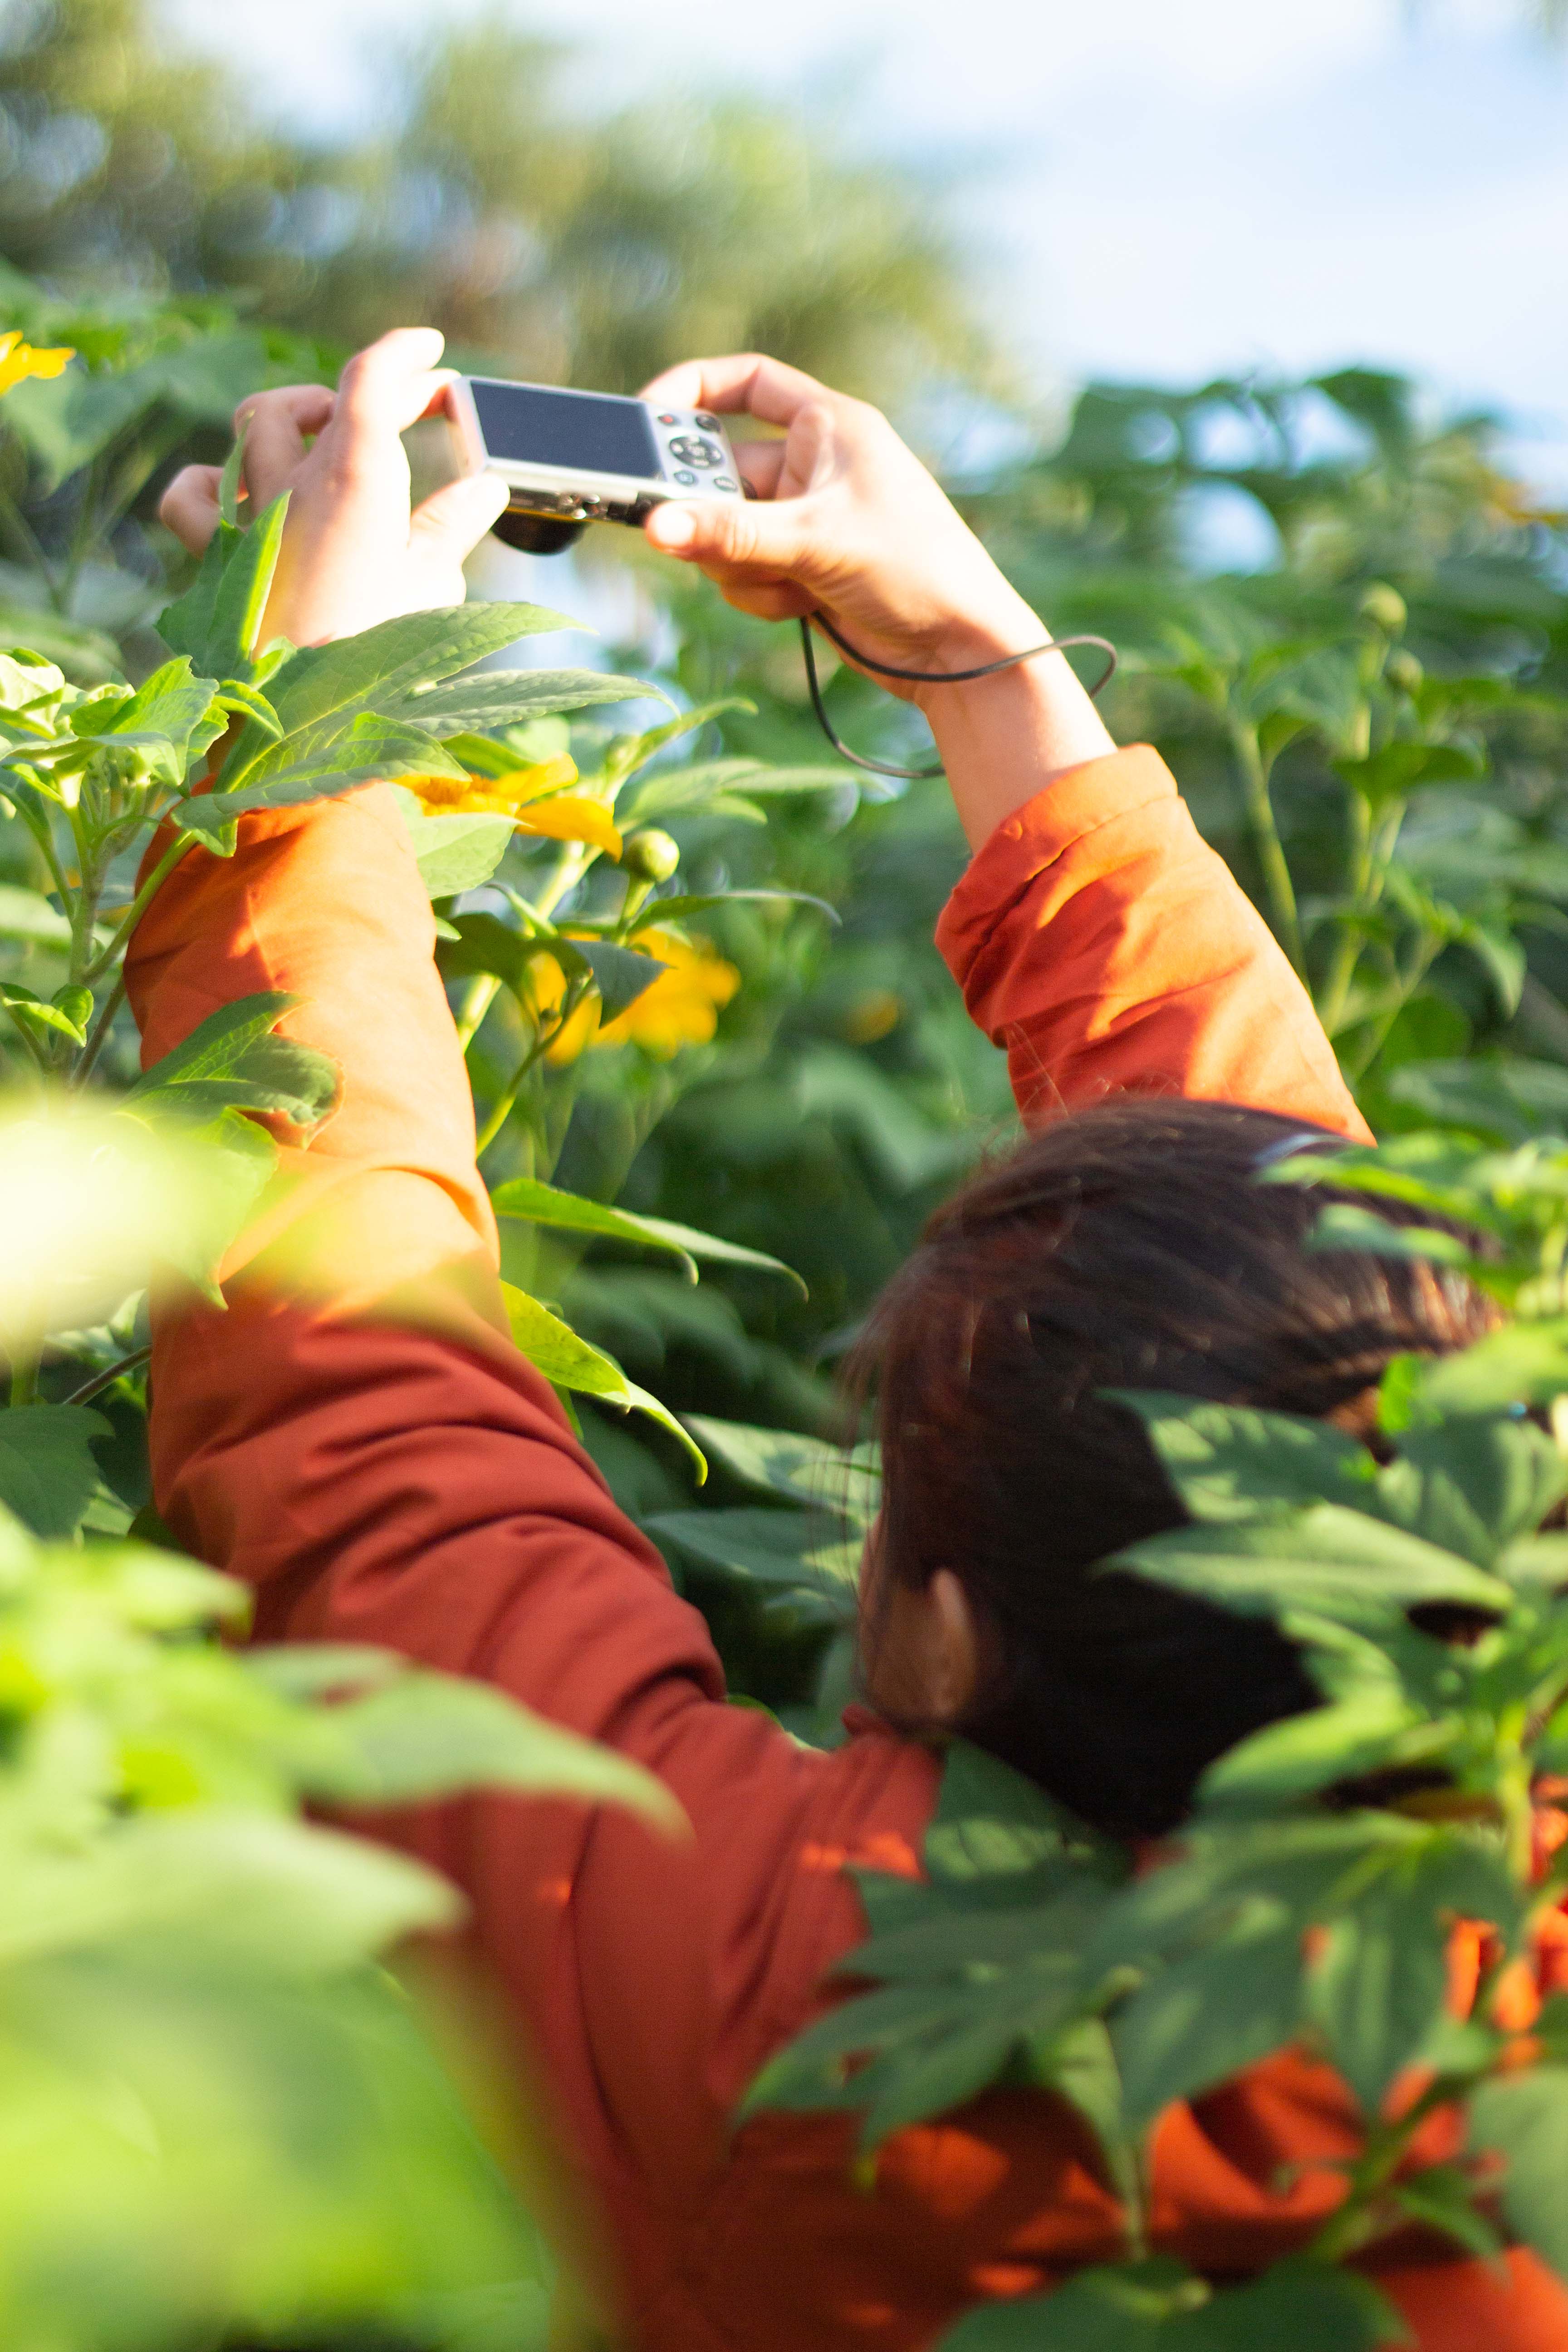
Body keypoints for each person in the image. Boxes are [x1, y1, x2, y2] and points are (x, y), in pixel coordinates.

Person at [136, 332, 1568, 2352]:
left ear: (954, 1639)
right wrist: (984, 656)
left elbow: (371, 1455)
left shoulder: (811, 2011)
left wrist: (290, 732)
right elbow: (1311, 1321)